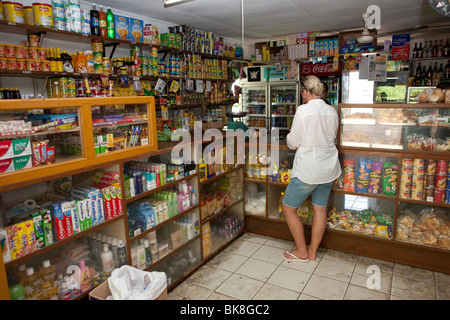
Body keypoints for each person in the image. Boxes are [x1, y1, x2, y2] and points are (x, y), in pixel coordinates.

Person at [280, 75, 341, 262]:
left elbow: (293, 142)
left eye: (302, 92)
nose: (302, 96)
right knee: (320, 210)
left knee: (288, 208)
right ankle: (313, 252)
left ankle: (301, 251)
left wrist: (289, 139)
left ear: (305, 92)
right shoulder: (332, 111)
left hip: (309, 170)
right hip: (329, 168)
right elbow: (333, 139)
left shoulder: (303, 111)